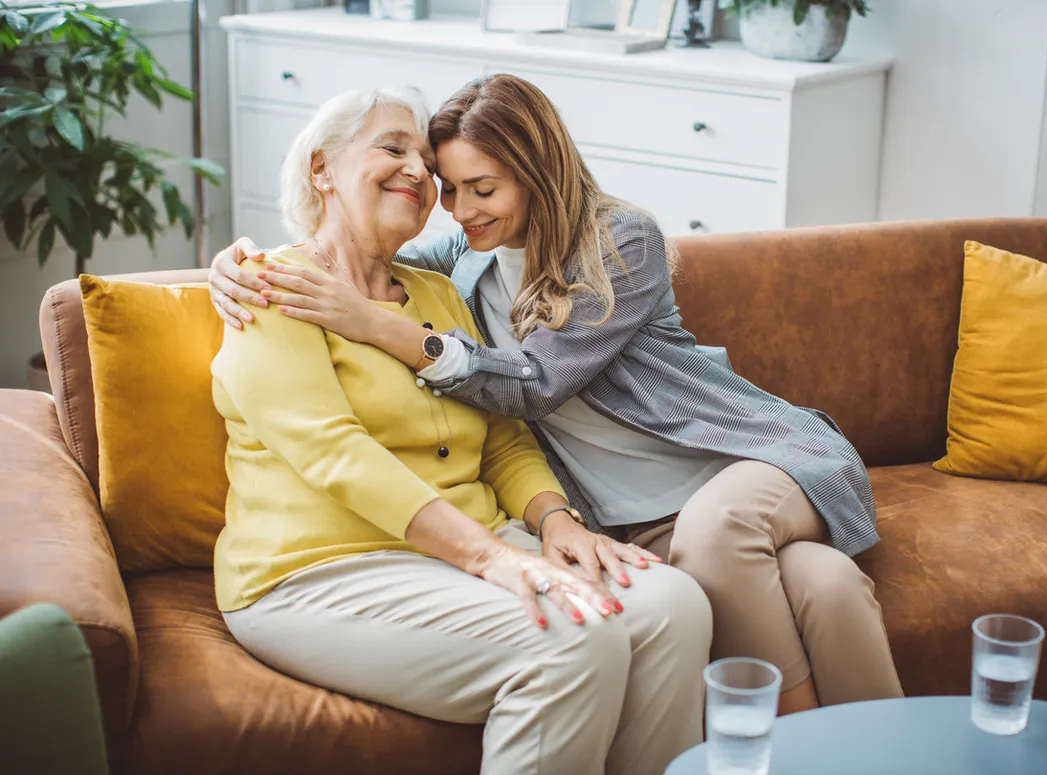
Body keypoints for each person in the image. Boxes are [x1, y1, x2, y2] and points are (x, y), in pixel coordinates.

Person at [208, 74, 903, 715]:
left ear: (537, 174)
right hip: (639, 515)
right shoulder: (468, 256)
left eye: (483, 188)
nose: (461, 209)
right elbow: (354, 250)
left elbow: (533, 386)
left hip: (733, 466)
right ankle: (891, 765)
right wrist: (234, 266)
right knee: (825, 583)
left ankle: (794, 756)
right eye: (449, 190)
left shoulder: (618, 242)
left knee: (718, 538)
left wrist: (375, 326)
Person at [211, 86, 712, 775]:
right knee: (571, 640)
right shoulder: (270, 288)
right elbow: (335, 453)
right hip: (323, 570)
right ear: (321, 168)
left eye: (427, 162)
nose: (418, 172)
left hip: (472, 545)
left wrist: (556, 524)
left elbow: (504, 437)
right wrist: (496, 560)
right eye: (392, 148)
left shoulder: (438, 291)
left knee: (674, 606)